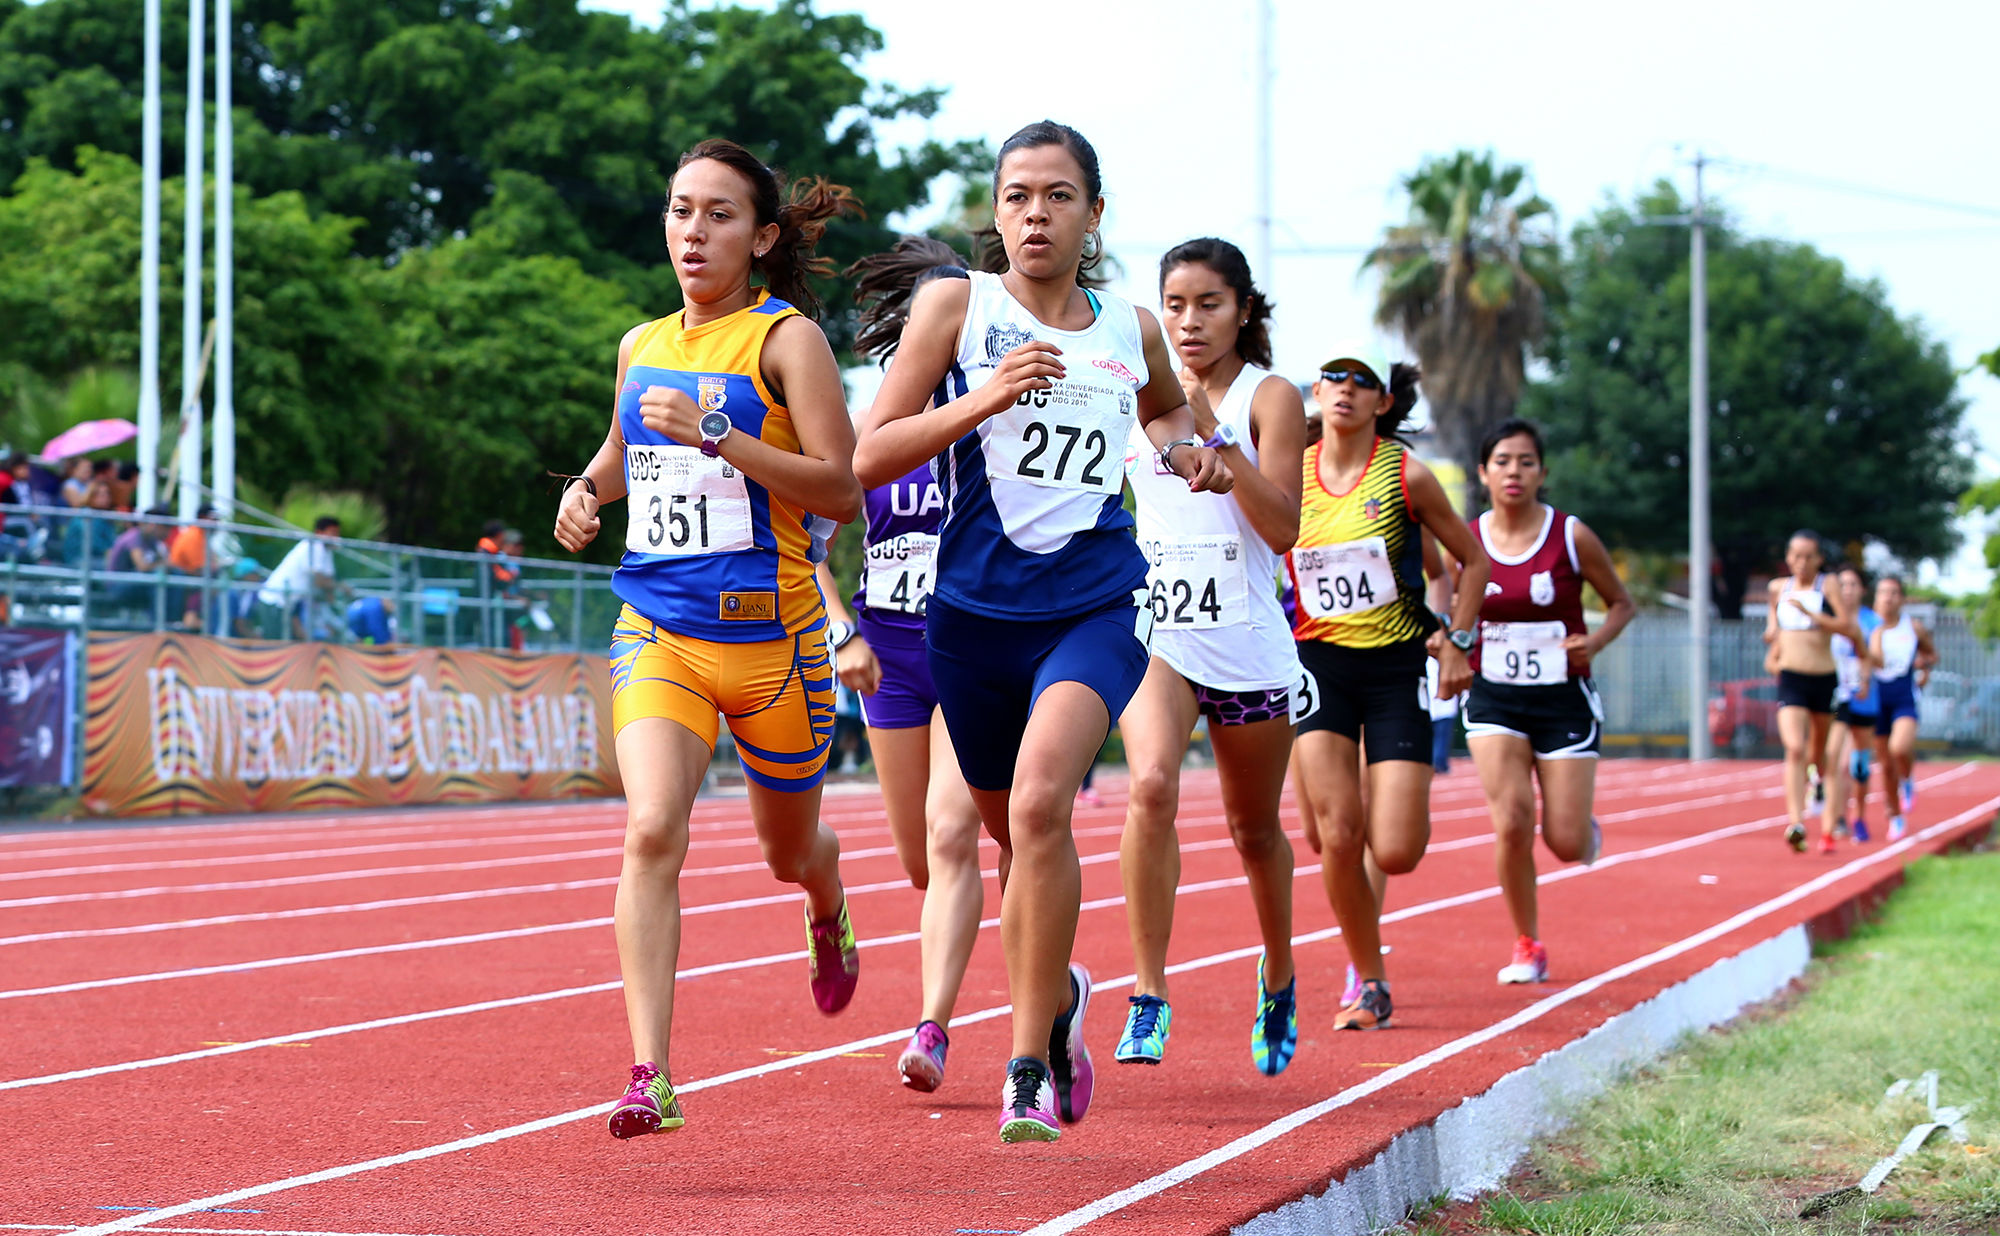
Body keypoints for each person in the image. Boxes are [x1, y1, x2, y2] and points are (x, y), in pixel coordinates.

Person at [853, 120, 1230, 1142]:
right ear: (996, 211)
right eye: (1016, 195)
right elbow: (868, 455)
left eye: (1056, 195)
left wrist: (1191, 451)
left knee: (1037, 809)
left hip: (1095, 603)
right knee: (1001, 839)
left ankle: (1023, 1065)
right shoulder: (955, 308)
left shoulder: (1130, 327)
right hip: (971, 619)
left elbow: (1159, 418)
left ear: (1091, 215)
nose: (1033, 213)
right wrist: (982, 398)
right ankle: (1060, 1006)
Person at [550, 138, 864, 1141]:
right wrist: (583, 491)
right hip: (659, 630)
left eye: (719, 214)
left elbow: (841, 489)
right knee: (650, 830)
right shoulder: (639, 343)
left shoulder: (786, 344)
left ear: (762, 236)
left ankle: (826, 896)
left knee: (785, 853)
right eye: (681, 211)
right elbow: (616, 453)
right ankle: (651, 1073)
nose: (694, 231)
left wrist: (719, 436)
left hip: (772, 644)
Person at [1114, 237, 1308, 1076]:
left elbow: (1285, 527)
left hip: (1247, 645)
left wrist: (1219, 436)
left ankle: (1280, 969)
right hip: (1160, 633)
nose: (1189, 322)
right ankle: (1149, 993)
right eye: (1176, 304)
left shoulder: (1271, 398)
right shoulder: (1132, 395)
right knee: (1151, 787)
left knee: (1253, 829)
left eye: (1209, 305)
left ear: (1244, 311)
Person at [813, 234, 987, 1095]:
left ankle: (934, 1027)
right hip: (887, 653)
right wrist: (841, 630)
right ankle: (1052, 974)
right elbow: (805, 540)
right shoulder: (868, 425)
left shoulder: (994, 411)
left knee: (956, 836)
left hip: (970, 641)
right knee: (924, 861)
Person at [1287, 342, 1490, 1032]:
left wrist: (1458, 641)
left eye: (1361, 381)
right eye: (1332, 376)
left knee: (1394, 848)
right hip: (1318, 665)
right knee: (1336, 836)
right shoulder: (1289, 472)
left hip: (1395, 668)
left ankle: (1375, 838)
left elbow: (1472, 560)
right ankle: (1369, 979)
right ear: (1316, 392)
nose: (1344, 388)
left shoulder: (1405, 474)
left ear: (1384, 402)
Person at [1456, 419, 1635, 983]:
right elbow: (1446, 606)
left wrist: (1595, 641)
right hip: (1493, 698)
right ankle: (1526, 943)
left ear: (1542, 473)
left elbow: (1622, 602)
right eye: (1503, 461)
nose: (1514, 472)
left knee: (1564, 841)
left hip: (1563, 698)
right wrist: (1448, 643)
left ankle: (1583, 827)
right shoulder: (1467, 539)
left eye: (1526, 462)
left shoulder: (1570, 535)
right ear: (1484, 473)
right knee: (1511, 819)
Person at [1762, 531, 1855, 851]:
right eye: (1796, 556)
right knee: (1794, 747)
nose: (1801, 563)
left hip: (1823, 678)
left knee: (1820, 756)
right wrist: (1772, 635)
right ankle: (1795, 822)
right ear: (1788, 558)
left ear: (1818, 559)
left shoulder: (1826, 586)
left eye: (1808, 557)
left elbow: (1845, 626)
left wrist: (1810, 614)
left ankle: (1820, 800)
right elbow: (1772, 627)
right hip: (1791, 678)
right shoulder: (1778, 588)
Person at [1869, 575, 1937, 841]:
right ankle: (1895, 817)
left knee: (1900, 747)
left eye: (1894, 593)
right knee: (1885, 765)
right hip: (1876, 700)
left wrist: (1925, 668)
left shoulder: (1913, 627)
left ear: (1902, 599)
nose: (1888, 597)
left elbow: (1931, 654)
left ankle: (1907, 779)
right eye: (1883, 592)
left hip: (1903, 696)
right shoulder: (1869, 627)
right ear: (1876, 597)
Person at [1825, 564, 1882, 846]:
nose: (1847, 590)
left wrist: (1866, 670)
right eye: (1842, 585)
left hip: (1864, 699)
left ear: (1862, 590)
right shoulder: (1829, 620)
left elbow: (1877, 657)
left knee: (1857, 764)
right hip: (1835, 699)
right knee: (1836, 759)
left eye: (1852, 585)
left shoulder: (1873, 622)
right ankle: (1837, 818)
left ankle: (1857, 813)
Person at [258, 516, 345, 640]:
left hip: (291, 605)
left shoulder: (326, 550)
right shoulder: (314, 545)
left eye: (337, 533)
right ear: (319, 533)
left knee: (295, 644)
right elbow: (321, 582)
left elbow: (328, 582)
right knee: (275, 646)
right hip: (275, 601)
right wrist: (341, 587)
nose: (336, 538)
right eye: (333, 533)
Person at [103, 506, 172, 609]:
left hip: (133, 582)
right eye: (164, 527)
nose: (167, 532)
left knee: (174, 574)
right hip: (117, 585)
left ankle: (170, 620)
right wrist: (162, 564)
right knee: (155, 578)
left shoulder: (152, 540)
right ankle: (156, 622)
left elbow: (167, 562)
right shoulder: (134, 536)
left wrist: (163, 563)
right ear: (153, 525)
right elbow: (142, 566)